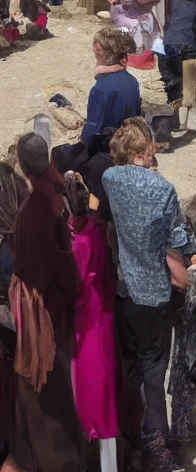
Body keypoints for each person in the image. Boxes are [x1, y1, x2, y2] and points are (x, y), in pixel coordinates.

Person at [100, 120, 189, 472]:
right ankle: (157, 448)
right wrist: (187, 280)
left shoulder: (110, 180)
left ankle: (133, 440)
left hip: (124, 290)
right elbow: (174, 248)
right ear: (143, 151)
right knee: (154, 372)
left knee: (132, 369)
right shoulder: (163, 190)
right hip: (154, 294)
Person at [4, 138, 86, 472]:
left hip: (43, 311)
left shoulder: (36, 207)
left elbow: (56, 260)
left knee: (46, 394)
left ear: (23, 167)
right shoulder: (48, 198)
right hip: (44, 305)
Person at [65, 154, 120, 471]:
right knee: (106, 397)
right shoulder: (102, 229)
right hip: (105, 318)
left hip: (86, 325)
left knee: (89, 399)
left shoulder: (82, 242)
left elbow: (76, 288)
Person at [83, 27, 144, 146]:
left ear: (106, 54)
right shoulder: (132, 81)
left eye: (97, 49)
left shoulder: (99, 90)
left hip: (108, 149)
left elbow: (93, 131)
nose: (94, 51)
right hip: (129, 145)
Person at [159, 0, 196, 135]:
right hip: (190, 45)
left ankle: (178, 120)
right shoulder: (193, 7)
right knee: (191, 85)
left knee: (175, 83)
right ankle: (193, 124)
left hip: (170, 46)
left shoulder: (167, 7)